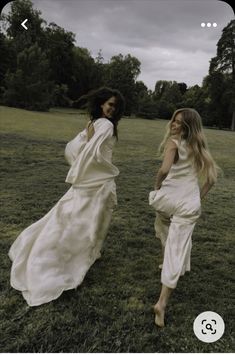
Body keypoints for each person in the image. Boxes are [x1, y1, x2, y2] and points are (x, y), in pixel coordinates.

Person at [9, 87, 125, 307]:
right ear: (101, 104)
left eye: (116, 106)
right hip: (96, 183)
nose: (112, 109)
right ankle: (72, 259)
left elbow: (74, 149)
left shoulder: (94, 123)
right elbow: (89, 152)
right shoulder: (106, 125)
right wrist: (83, 174)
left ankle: (90, 252)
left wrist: (81, 171)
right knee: (89, 222)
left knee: (78, 219)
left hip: (91, 181)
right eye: (110, 104)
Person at [149, 108, 219, 327]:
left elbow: (164, 169)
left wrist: (157, 186)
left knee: (163, 225)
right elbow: (211, 179)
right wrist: (197, 197)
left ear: (187, 126)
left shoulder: (173, 142)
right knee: (177, 245)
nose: (174, 124)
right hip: (188, 205)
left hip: (167, 199)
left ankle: (165, 266)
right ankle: (161, 302)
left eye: (179, 122)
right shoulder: (198, 146)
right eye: (174, 120)